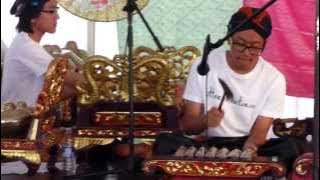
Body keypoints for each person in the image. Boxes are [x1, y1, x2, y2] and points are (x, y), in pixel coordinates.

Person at [153, 6, 304, 172]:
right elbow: (189, 126)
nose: (246, 53)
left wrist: (244, 156)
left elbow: (260, 132)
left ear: (264, 45)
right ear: (229, 38)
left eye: (254, 47)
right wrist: (205, 120)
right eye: (240, 44)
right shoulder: (204, 65)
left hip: (246, 142)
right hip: (206, 142)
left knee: (290, 149)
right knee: (164, 142)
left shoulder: (274, 79)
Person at [1, 0, 84, 107]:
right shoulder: (26, 47)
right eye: (51, 11)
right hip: (19, 119)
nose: (57, 17)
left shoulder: (25, 42)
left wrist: (80, 86)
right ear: (32, 17)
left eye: (56, 11)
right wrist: (97, 81)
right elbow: (64, 76)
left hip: (29, 115)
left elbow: (55, 89)